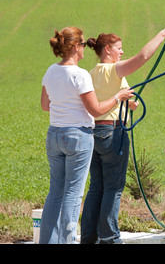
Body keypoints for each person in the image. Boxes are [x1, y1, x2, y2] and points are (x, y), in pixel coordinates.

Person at [80, 24, 165, 244]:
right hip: (112, 134)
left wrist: (126, 102)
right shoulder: (112, 69)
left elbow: (102, 99)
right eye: (119, 48)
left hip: (94, 133)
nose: (122, 52)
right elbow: (142, 57)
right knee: (114, 187)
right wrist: (162, 34)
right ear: (107, 50)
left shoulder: (91, 73)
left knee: (97, 187)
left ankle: (88, 238)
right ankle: (110, 238)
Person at [40, 27, 134, 244]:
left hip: (54, 134)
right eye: (82, 44)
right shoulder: (80, 74)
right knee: (73, 194)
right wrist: (118, 97)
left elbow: (46, 105)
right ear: (74, 47)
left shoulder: (51, 71)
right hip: (77, 137)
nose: (84, 48)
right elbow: (96, 110)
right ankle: (68, 241)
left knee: (55, 193)